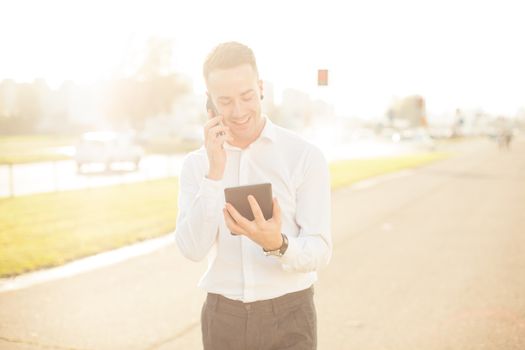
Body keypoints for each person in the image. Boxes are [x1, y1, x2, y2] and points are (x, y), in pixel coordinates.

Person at [175, 41, 332, 350]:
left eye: (247, 97)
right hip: (224, 319)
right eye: (225, 101)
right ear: (210, 103)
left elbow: (321, 249)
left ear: (261, 88)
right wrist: (215, 173)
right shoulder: (197, 165)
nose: (238, 111)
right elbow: (192, 249)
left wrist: (278, 244)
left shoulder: (304, 156)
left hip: (290, 315)